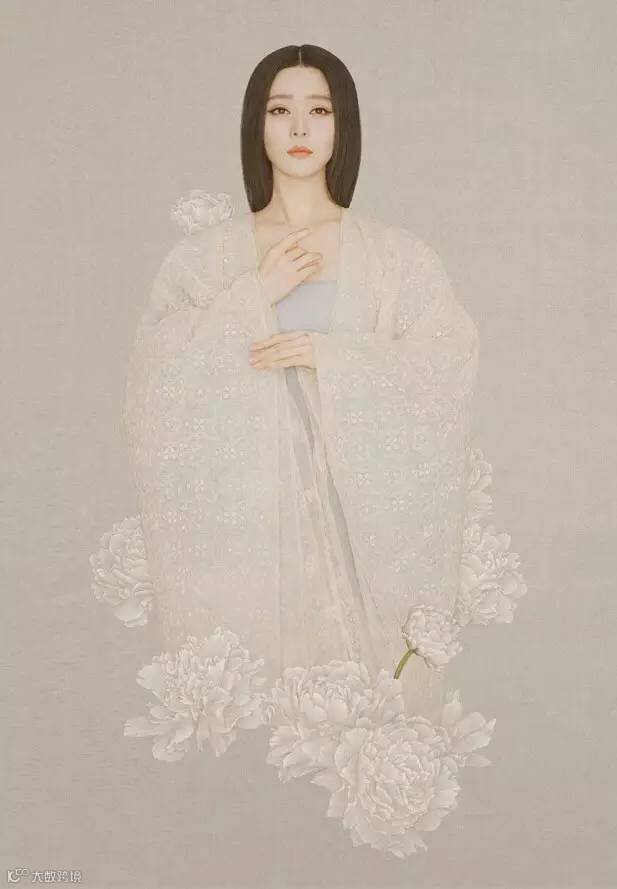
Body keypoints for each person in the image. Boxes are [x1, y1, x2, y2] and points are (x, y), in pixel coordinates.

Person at [123, 44, 480, 724]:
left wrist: (330, 356)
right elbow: (153, 376)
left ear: (343, 126)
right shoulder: (206, 259)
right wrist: (252, 295)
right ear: (254, 125)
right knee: (262, 715)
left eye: (318, 111)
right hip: (252, 518)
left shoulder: (394, 256)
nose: (297, 128)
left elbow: (445, 360)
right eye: (278, 110)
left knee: (360, 710)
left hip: (352, 515)